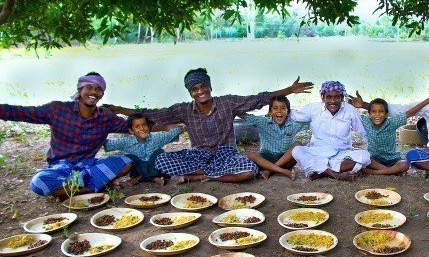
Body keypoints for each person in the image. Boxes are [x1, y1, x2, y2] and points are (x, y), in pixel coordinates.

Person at [106, 68, 312, 184]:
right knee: (160, 160)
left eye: (203, 86)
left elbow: (258, 99)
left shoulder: (226, 103)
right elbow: (154, 115)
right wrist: (118, 109)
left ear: (210, 87)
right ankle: (204, 172)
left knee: (250, 171)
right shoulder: (184, 109)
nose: (200, 91)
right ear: (190, 93)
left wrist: (289, 90)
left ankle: (202, 176)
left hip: (226, 153)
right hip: (198, 154)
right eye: (194, 89)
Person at [0, 72, 132, 198]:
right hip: (60, 168)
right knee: (38, 183)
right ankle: (92, 187)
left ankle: (71, 190)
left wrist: (124, 110)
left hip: (88, 167)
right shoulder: (57, 110)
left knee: (127, 162)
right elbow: (21, 112)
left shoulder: (106, 116)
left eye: (98, 89)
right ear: (79, 90)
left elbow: (136, 127)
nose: (93, 92)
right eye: (89, 87)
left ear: (102, 94)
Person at [289, 81, 370, 181]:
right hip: (317, 153)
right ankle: (335, 174)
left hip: (341, 155)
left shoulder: (350, 110)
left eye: (337, 97)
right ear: (323, 98)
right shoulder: (313, 109)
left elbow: (363, 131)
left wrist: (364, 105)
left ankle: (321, 171)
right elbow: (292, 115)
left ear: (342, 98)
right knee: (297, 150)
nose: (333, 101)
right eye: (329, 97)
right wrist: (288, 92)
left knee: (365, 156)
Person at [237, 95, 309, 180]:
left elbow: (314, 122)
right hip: (266, 160)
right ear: (270, 112)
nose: (279, 111)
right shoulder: (262, 122)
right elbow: (244, 115)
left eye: (283, 108)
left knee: (298, 144)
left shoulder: (294, 124)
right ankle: (284, 171)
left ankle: (269, 171)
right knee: (251, 155)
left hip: (286, 160)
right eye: (275, 108)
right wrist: (231, 108)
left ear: (288, 112)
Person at [360, 96, 429, 175]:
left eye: (381, 111)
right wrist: (353, 103)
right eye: (374, 111)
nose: (377, 114)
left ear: (387, 114)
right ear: (369, 114)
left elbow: (409, 113)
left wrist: (426, 101)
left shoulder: (392, 122)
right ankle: (390, 171)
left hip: (392, 158)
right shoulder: (366, 122)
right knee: (365, 158)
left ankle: (374, 172)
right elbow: (349, 113)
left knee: (405, 165)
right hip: (375, 159)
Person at [104, 113, 185, 186]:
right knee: (131, 158)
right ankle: (151, 178)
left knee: (159, 152)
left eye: (144, 125)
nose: (142, 129)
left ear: (149, 127)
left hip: (155, 167)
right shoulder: (125, 142)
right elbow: (108, 144)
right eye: (137, 127)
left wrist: (185, 127)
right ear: (131, 131)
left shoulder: (157, 138)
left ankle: (142, 178)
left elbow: (172, 133)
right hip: (138, 169)